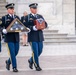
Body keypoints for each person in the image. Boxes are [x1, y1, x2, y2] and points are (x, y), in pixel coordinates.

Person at [24, 3, 48, 71]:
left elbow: (45, 24)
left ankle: (31, 60)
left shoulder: (40, 16)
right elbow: (25, 27)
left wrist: (43, 26)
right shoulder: (27, 17)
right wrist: (32, 28)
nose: (35, 9)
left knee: (40, 51)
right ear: (31, 9)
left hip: (40, 36)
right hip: (32, 37)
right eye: (34, 8)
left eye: (36, 8)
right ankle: (37, 65)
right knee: (35, 52)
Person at [1, 3, 20, 72]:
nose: (12, 10)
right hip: (9, 38)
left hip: (16, 37)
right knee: (12, 52)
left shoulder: (17, 17)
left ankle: (8, 62)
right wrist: (2, 30)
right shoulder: (4, 18)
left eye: (13, 9)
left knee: (16, 52)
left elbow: (20, 25)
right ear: (7, 10)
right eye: (11, 9)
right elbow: (1, 26)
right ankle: (14, 67)